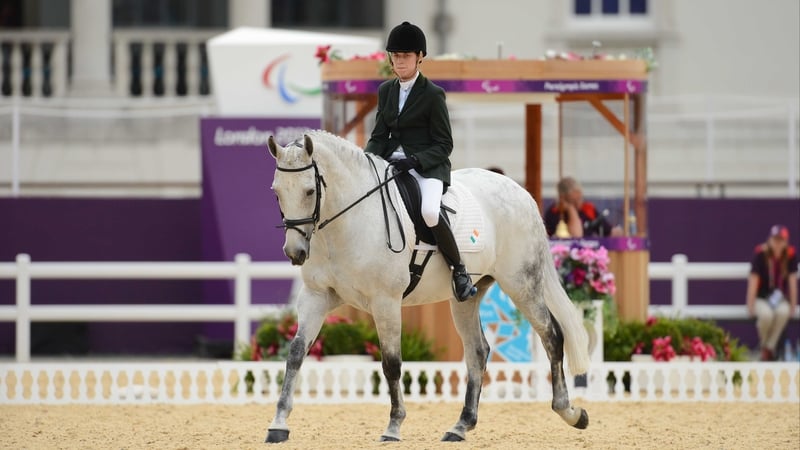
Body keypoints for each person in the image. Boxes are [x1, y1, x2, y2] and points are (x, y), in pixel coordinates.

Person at [364, 21, 476, 301]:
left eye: (405, 56)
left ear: (419, 57)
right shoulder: (385, 91)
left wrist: (415, 161)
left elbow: (444, 144)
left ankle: (459, 271)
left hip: (426, 167)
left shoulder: (433, 94)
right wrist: (365, 160)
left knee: (428, 210)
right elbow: (379, 135)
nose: (399, 61)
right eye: (396, 56)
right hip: (392, 163)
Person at [746, 224, 798, 361]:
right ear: (769, 239)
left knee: (783, 312)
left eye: (781, 240)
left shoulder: (790, 256)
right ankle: (767, 349)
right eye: (775, 239)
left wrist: (793, 304)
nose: (777, 243)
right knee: (766, 315)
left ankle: (768, 348)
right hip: (762, 298)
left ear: (786, 241)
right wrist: (750, 304)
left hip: (780, 298)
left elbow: (793, 283)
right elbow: (753, 280)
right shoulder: (761, 254)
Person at [543, 176, 621, 238]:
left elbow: (609, 231)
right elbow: (576, 235)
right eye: (573, 201)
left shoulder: (588, 209)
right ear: (562, 198)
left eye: (580, 198)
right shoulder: (553, 212)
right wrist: (571, 209)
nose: (579, 203)